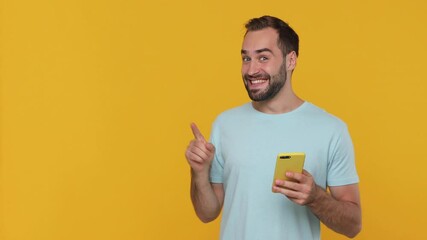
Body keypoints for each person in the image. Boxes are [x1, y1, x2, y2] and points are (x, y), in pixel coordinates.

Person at [185, 15, 361, 240]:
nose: (251, 70)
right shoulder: (225, 124)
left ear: (291, 61)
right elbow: (207, 213)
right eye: (246, 58)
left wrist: (316, 197)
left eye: (263, 57)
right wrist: (198, 172)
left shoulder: (331, 130)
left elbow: (353, 225)